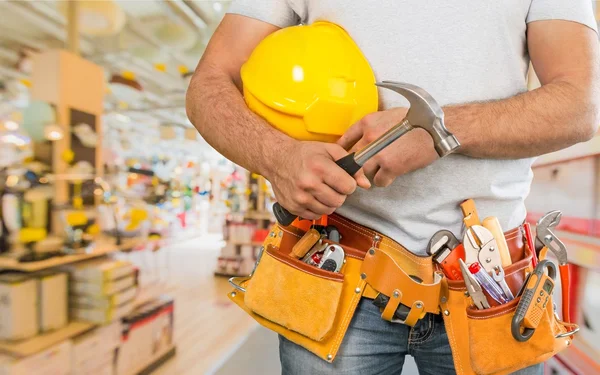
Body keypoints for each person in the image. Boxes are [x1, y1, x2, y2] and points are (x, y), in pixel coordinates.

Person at [186, 1, 599, 374]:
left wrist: (440, 130)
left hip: (490, 285)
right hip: (336, 265)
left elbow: (580, 105)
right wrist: (276, 157)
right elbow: (209, 83)